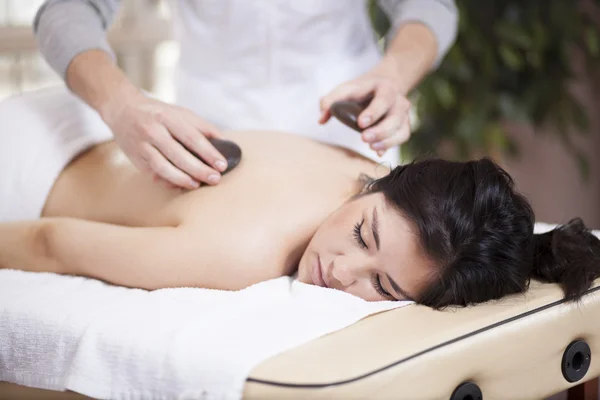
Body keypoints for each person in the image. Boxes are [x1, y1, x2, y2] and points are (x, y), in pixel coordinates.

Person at [1, 87, 599, 308]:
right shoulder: (240, 252)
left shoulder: (362, 169)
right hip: (26, 163)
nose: (340, 271)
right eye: (365, 235)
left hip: (74, 118)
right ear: (384, 180)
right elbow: (50, 242)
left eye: (384, 286)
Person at [33, 0, 458, 189]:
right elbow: (65, 11)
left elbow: (430, 6)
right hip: (215, 143)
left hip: (348, 135)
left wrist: (394, 74)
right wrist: (121, 103)